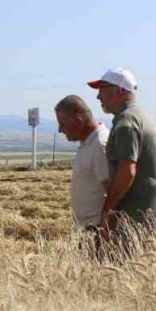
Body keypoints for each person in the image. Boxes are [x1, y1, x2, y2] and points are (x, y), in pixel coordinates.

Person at [87, 68, 156, 248]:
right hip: (154, 216)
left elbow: (127, 172)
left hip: (134, 219)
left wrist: (107, 213)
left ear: (120, 91)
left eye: (102, 89)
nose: (98, 97)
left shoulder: (126, 122)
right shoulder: (146, 119)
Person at [54, 95, 111, 236]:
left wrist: (107, 226)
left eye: (62, 123)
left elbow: (112, 189)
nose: (60, 130)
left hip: (98, 229)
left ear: (78, 121)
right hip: (87, 228)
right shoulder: (87, 143)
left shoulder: (99, 145)